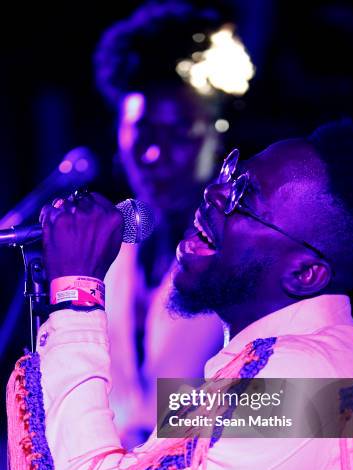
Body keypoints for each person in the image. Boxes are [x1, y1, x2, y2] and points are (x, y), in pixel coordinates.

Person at [7, 120, 353, 470]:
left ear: (305, 273)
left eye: (244, 199)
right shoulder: (280, 367)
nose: (215, 195)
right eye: (231, 172)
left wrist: (77, 296)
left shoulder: (307, 386)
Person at [93, 1, 240, 444]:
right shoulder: (112, 242)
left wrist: (182, 430)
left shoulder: (246, 246)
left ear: (216, 133)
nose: (155, 156)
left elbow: (321, 408)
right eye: (143, 134)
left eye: (179, 133)